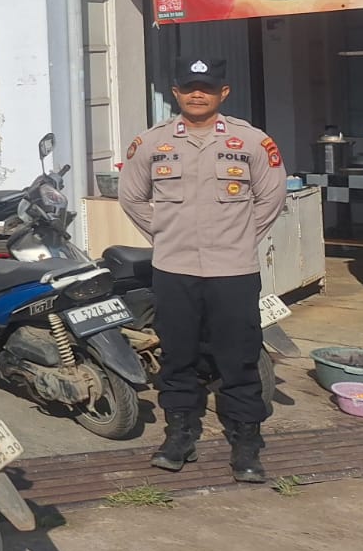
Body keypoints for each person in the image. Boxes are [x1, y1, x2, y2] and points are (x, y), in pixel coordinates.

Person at [118, 57, 286, 483]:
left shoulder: (252, 142)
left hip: (233, 270)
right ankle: (180, 435)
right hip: (173, 269)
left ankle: (246, 443)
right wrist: (165, 234)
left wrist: (238, 238)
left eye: (207, 88)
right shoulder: (151, 143)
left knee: (239, 358)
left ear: (223, 93)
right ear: (175, 92)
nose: (198, 94)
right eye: (190, 87)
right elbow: (132, 197)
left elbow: (271, 199)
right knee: (178, 357)